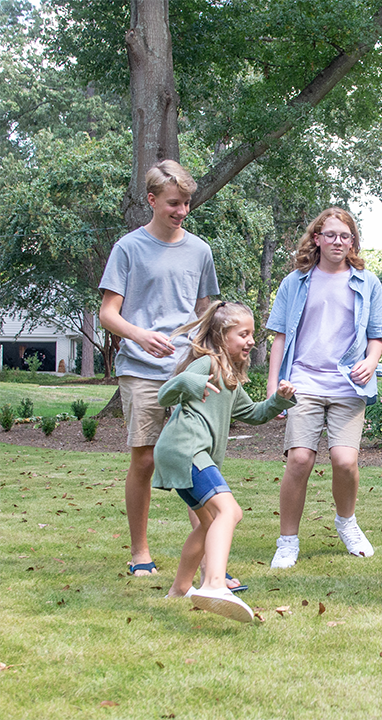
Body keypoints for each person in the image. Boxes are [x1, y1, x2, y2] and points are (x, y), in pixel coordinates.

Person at [98, 160, 221, 578]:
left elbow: (205, 311)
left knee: (194, 458)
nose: (182, 210)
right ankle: (139, 552)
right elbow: (107, 313)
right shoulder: (128, 248)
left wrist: (209, 355)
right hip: (141, 367)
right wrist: (139, 335)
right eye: (173, 203)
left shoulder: (200, 251)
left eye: (186, 203)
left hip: (185, 369)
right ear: (151, 200)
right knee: (146, 459)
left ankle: (208, 559)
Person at [154, 301, 296, 621]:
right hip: (186, 449)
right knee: (229, 511)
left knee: (208, 523)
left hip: (185, 452)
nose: (251, 341)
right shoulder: (205, 365)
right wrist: (187, 382)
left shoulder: (229, 378)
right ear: (221, 335)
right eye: (243, 334)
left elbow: (255, 414)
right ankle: (215, 583)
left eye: (252, 335)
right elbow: (165, 394)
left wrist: (279, 401)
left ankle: (180, 588)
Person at [265, 207, 382, 569]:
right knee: (300, 459)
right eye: (330, 234)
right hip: (303, 381)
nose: (337, 241)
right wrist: (275, 391)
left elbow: (376, 337)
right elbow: (280, 338)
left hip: (349, 383)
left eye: (345, 236)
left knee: (344, 461)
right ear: (316, 238)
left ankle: (346, 522)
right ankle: (287, 541)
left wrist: (371, 360)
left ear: (352, 242)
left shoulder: (369, 283)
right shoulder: (296, 282)